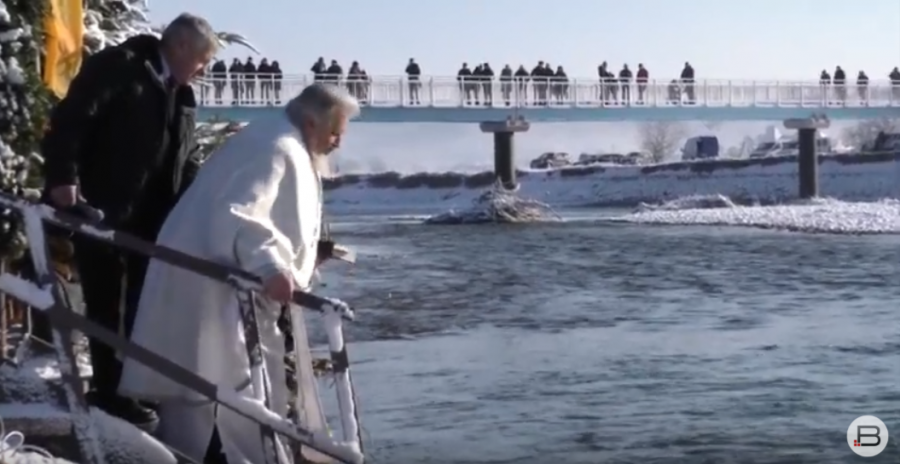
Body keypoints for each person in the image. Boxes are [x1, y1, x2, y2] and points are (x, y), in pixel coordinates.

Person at [117, 83, 359, 463]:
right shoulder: (275, 148)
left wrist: (303, 260)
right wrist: (271, 265)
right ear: (312, 122)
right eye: (335, 132)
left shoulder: (276, 139)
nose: (338, 143)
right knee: (236, 389)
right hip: (223, 290)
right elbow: (237, 213)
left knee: (206, 389)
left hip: (220, 284)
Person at [40, 12, 217, 429]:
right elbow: (72, 119)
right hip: (106, 211)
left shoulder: (180, 93)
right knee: (109, 303)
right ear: (179, 48)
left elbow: (183, 156)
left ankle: (134, 387)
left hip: (152, 220)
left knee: (142, 303)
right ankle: (110, 393)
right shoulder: (120, 68)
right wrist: (63, 178)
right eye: (202, 60)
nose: (204, 69)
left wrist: (193, 202)